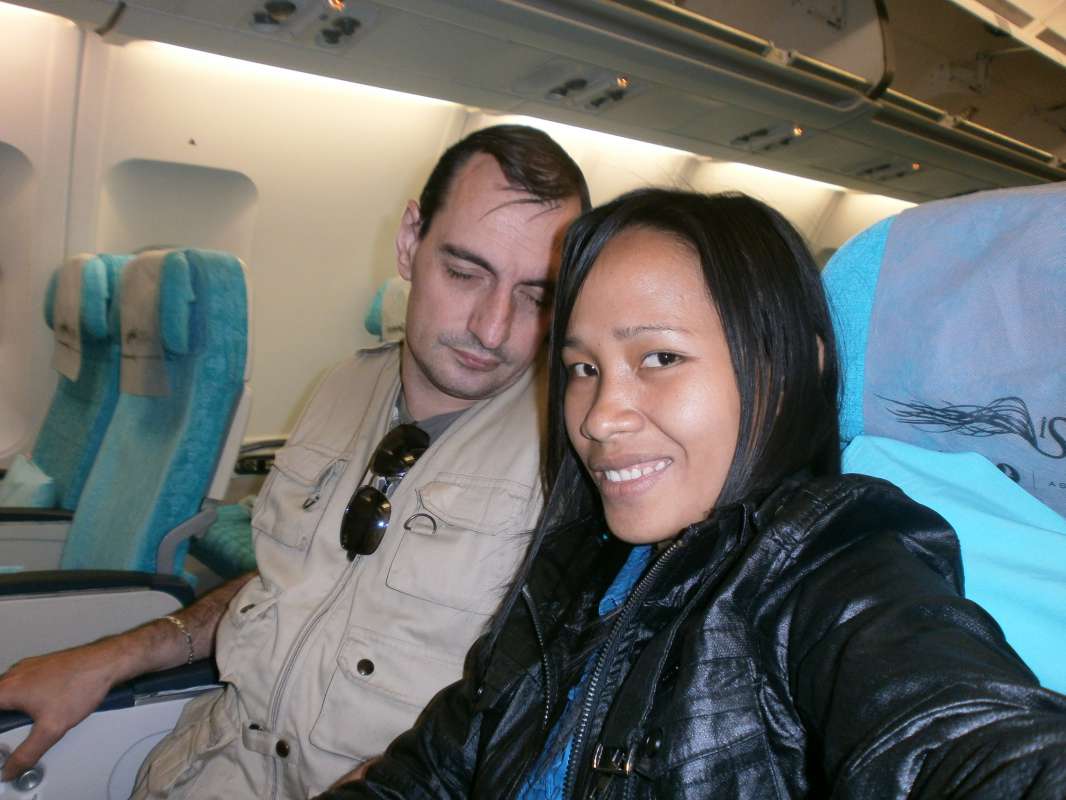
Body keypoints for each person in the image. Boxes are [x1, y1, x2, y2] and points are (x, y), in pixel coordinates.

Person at [319, 188, 1066, 799]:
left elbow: (964, 740)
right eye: (583, 369)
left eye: (660, 358)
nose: (600, 418)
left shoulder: (827, 559)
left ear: (791, 367)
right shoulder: (572, 570)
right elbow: (429, 774)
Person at [0, 124, 589, 798]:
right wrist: (111, 657)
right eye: (464, 273)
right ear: (409, 241)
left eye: (536, 296)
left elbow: (532, 724)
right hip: (203, 762)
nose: (493, 327)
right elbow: (287, 583)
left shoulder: (571, 456)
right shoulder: (346, 386)